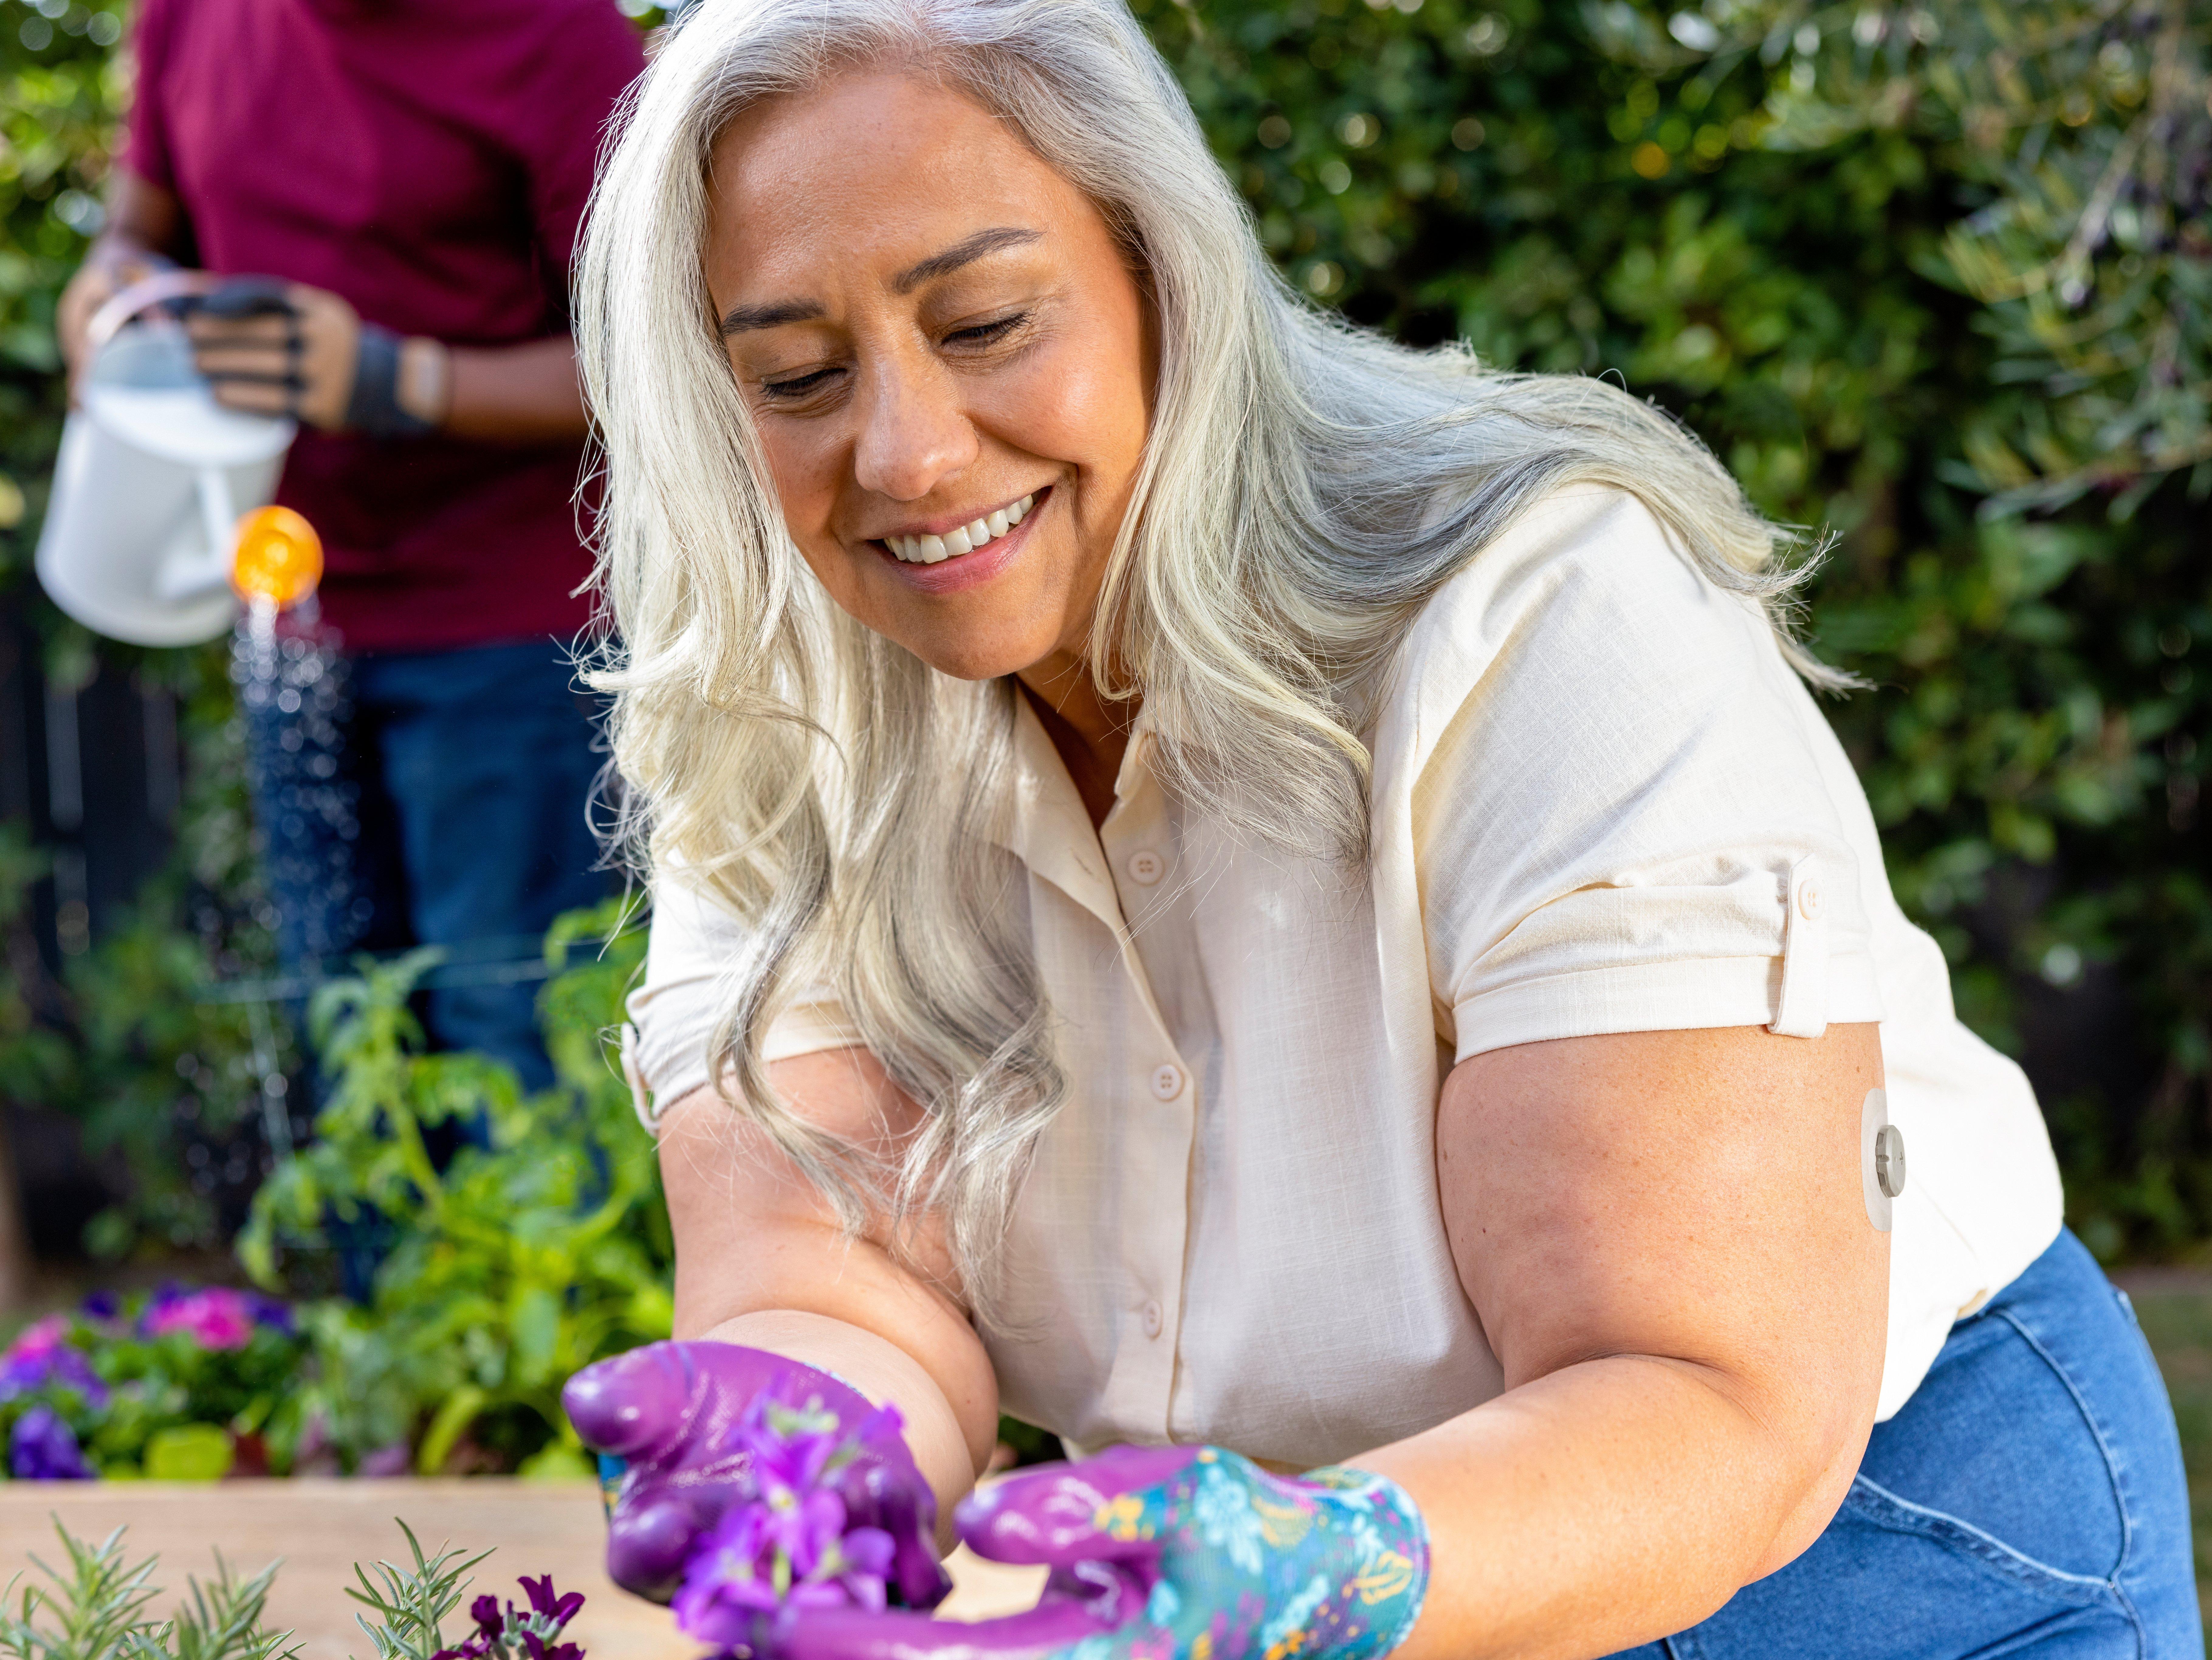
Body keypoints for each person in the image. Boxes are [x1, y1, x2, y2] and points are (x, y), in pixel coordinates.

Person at [557, 0, 2203, 1654]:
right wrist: (805, 1448)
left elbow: (1706, 1394)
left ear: (1164, 274)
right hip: (1320, 1572)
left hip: (1870, 1539)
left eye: (985, 322)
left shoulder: (1546, 615)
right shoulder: (782, 702)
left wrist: (1318, 1564)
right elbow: (845, 1281)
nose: (905, 453)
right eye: (798, 374)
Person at [56, 0, 646, 1092]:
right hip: (299, 633)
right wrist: (109, 290)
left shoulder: (560, 35)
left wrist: (398, 381)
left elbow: (668, 362)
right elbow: (141, 230)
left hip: (517, 641)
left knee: (514, 1043)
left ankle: (527, 1277)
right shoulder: (193, 15)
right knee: (345, 1045)